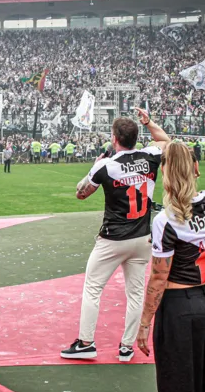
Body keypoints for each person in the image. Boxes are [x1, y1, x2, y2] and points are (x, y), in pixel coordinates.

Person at [136, 120, 205, 392]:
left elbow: (158, 277)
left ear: (164, 171)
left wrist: (144, 323)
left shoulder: (166, 220)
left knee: (178, 385)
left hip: (180, 306)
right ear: (195, 169)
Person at [61, 108, 169, 362]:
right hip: (143, 236)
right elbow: (166, 141)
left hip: (113, 238)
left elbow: (81, 193)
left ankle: (86, 343)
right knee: (135, 293)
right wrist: (150, 122)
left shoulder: (106, 166)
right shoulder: (151, 155)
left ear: (114, 138)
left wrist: (92, 168)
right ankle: (126, 347)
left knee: (92, 288)